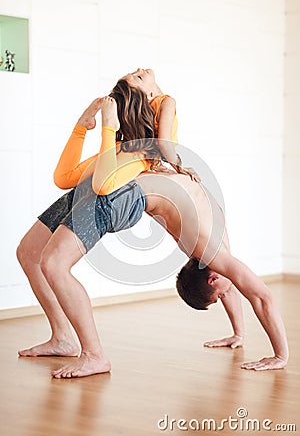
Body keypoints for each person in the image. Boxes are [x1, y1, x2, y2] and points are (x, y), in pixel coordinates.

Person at [16, 81, 162, 378]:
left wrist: (108, 126)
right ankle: (62, 338)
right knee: (29, 253)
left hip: (102, 200)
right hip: (80, 195)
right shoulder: (118, 146)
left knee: (54, 264)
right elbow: (64, 177)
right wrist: (83, 126)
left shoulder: (144, 151)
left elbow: (103, 184)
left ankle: (95, 355)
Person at [135, 170, 289, 371]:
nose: (225, 295)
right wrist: (238, 334)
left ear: (212, 279)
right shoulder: (202, 253)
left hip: (143, 185)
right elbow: (230, 285)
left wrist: (280, 356)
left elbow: (262, 298)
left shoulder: (211, 252)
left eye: (219, 295)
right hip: (157, 183)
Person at [121, 68, 199, 181]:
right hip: (158, 163)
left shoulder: (144, 113)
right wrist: (180, 168)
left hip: (148, 166)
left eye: (133, 72)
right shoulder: (167, 102)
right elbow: (163, 143)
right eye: (139, 77)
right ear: (150, 95)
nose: (138, 69)